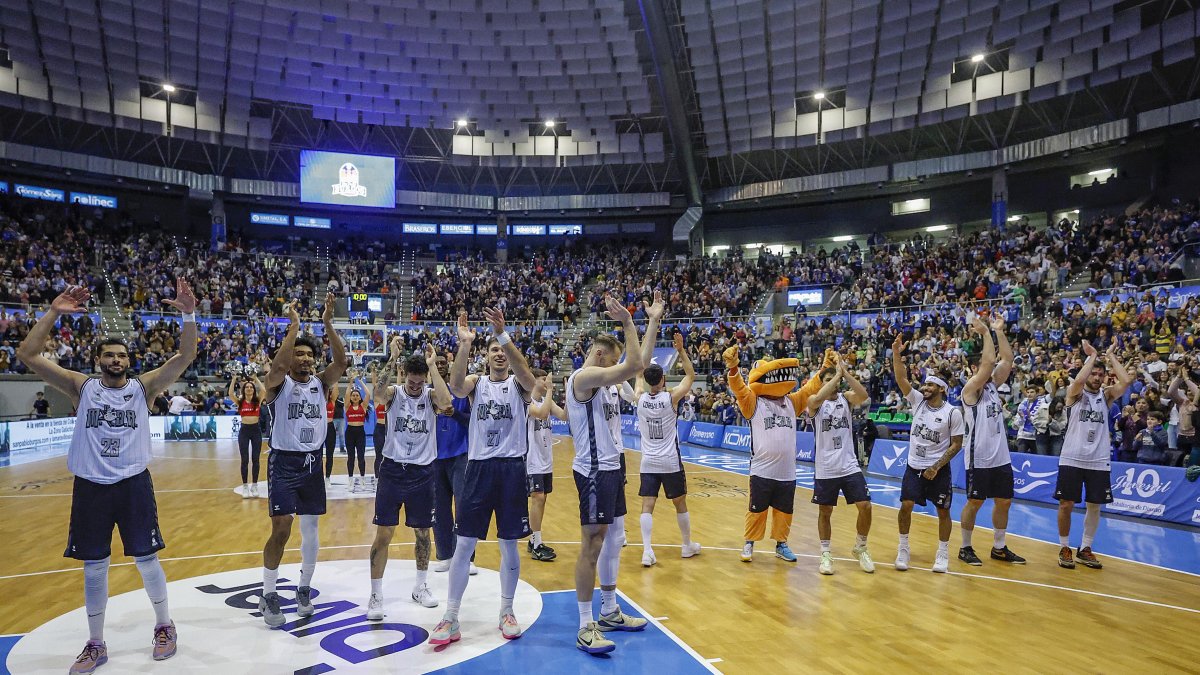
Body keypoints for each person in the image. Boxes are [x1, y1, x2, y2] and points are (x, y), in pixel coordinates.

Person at [18, 281, 197, 673]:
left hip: (133, 484)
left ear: (128, 360)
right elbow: (28, 354)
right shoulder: (80, 386)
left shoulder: (144, 387)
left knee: (147, 560)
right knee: (94, 566)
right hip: (91, 487)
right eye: (109, 355)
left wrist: (188, 314)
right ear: (97, 359)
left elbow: (185, 355)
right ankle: (96, 643)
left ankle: (165, 626)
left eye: (121, 355)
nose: (116, 360)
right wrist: (53, 312)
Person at [429, 307, 539, 646]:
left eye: (502, 350)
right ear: (486, 356)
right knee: (464, 546)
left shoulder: (518, 387)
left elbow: (532, 382)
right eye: (493, 350)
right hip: (478, 468)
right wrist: (464, 345)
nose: (500, 355)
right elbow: (457, 387)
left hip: (510, 469)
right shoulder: (477, 385)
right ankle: (451, 616)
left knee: (509, 545)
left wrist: (504, 337)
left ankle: (507, 611)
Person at [258, 295, 348, 627]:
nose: (306, 358)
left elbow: (341, 363)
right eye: (300, 352)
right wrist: (293, 328)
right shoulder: (276, 385)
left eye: (310, 353)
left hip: (313, 462)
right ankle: (269, 595)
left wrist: (327, 323)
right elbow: (278, 367)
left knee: (310, 530)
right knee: (282, 529)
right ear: (290, 356)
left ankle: (304, 589)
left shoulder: (321, 384)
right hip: (283, 462)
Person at [568, 294, 647, 656]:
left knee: (614, 538)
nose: (617, 371)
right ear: (600, 357)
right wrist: (629, 323)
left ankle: (610, 610)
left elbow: (638, 364)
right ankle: (586, 625)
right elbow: (634, 366)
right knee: (593, 544)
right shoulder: (584, 378)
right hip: (594, 471)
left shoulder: (606, 382)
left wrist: (652, 319)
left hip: (612, 467)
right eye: (612, 362)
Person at [724, 344, 829, 564]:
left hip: (787, 472)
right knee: (757, 510)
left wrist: (825, 368)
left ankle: (781, 545)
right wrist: (733, 369)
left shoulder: (792, 401)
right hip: (762, 469)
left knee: (784, 511)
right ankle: (749, 543)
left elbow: (810, 389)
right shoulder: (753, 402)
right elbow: (740, 388)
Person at [367, 345, 450, 620]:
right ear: (404, 376)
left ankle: (420, 586)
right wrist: (392, 359)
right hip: (392, 471)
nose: (415, 387)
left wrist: (433, 366)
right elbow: (378, 394)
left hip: (422, 473)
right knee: (384, 534)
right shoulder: (394, 394)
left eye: (420, 382)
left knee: (423, 534)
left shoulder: (430, 395)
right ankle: (376, 594)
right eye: (411, 381)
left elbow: (447, 401)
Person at [1055, 340, 1133, 570]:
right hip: (1072, 456)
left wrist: (1110, 355)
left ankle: (1086, 548)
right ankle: (1065, 547)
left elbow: (1126, 381)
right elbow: (1079, 380)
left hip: (1098, 459)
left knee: (1095, 506)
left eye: (1101, 374)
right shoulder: (1075, 394)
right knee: (1066, 505)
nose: (1098, 377)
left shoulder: (1106, 396)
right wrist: (1092, 357)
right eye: (1095, 373)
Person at [891, 332, 964, 574]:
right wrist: (896, 354)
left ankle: (942, 553)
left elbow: (956, 444)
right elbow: (901, 378)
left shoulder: (952, 412)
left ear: (941, 389)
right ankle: (903, 547)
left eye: (930, 384)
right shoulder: (918, 402)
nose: (925, 387)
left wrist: (936, 466)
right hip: (914, 466)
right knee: (906, 505)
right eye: (925, 383)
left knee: (943, 511)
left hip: (938, 469)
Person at [957, 313, 1025, 567]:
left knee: (1004, 501)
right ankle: (965, 547)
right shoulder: (969, 391)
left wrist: (998, 331)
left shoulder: (994, 387)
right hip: (978, 456)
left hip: (1000, 457)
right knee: (974, 502)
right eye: (981, 369)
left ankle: (999, 547)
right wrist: (985, 333)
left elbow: (1006, 359)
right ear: (973, 371)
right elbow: (988, 363)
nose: (986, 371)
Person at [633, 331, 699, 568]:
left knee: (647, 506)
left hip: (648, 462)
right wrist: (680, 350)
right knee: (680, 504)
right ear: (662, 379)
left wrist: (642, 354)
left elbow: (638, 375)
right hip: (670, 461)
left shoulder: (639, 398)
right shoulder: (671, 398)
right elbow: (691, 376)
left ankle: (647, 551)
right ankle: (686, 545)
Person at [805, 356, 873, 575]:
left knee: (866, 506)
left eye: (833, 380)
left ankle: (860, 547)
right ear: (822, 382)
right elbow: (815, 400)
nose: (832, 384)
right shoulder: (814, 402)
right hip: (825, 467)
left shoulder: (845, 398)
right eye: (827, 380)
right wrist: (835, 375)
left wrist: (845, 373)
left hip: (849, 464)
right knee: (825, 511)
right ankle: (825, 553)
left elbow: (863, 396)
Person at [430, 351, 475, 574]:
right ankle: (445, 555)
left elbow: (472, 421)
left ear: (448, 366)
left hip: (460, 454)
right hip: (434, 458)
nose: (439, 366)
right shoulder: (427, 394)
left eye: (442, 363)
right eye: (435, 363)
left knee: (463, 506)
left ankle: (466, 556)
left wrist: (454, 413)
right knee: (439, 509)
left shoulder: (461, 391)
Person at [526, 369, 567, 562]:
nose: (547, 382)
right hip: (531, 459)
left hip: (546, 460)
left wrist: (569, 394)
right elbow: (542, 414)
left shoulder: (546, 402)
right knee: (538, 498)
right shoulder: (527, 401)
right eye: (543, 379)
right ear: (534, 381)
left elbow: (565, 416)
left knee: (542, 500)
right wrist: (550, 390)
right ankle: (536, 543)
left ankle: (534, 538)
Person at [230, 374, 266, 498]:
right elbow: (230, 394)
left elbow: (264, 390)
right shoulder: (240, 402)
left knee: (255, 459)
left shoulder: (257, 401)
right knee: (244, 460)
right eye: (247, 387)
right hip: (244, 431)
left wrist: (256, 378)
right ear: (244, 390)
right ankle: (245, 486)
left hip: (256, 431)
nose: (249, 389)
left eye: (251, 387)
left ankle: (254, 485)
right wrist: (234, 379)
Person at [344, 379, 369, 491]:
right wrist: (350, 381)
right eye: (353, 395)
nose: (354, 396)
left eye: (357, 395)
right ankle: (350, 480)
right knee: (351, 457)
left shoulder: (363, 406)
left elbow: (368, 393)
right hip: (350, 432)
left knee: (361, 457)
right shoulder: (347, 406)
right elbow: (346, 393)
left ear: (359, 397)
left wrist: (359, 381)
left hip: (360, 432)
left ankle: (362, 479)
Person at [323, 386, 344, 486]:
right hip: (320, 428)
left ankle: (327, 477)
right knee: (317, 455)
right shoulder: (320, 399)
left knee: (329, 455)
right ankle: (316, 477)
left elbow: (335, 388)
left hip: (330, 427)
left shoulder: (333, 401)